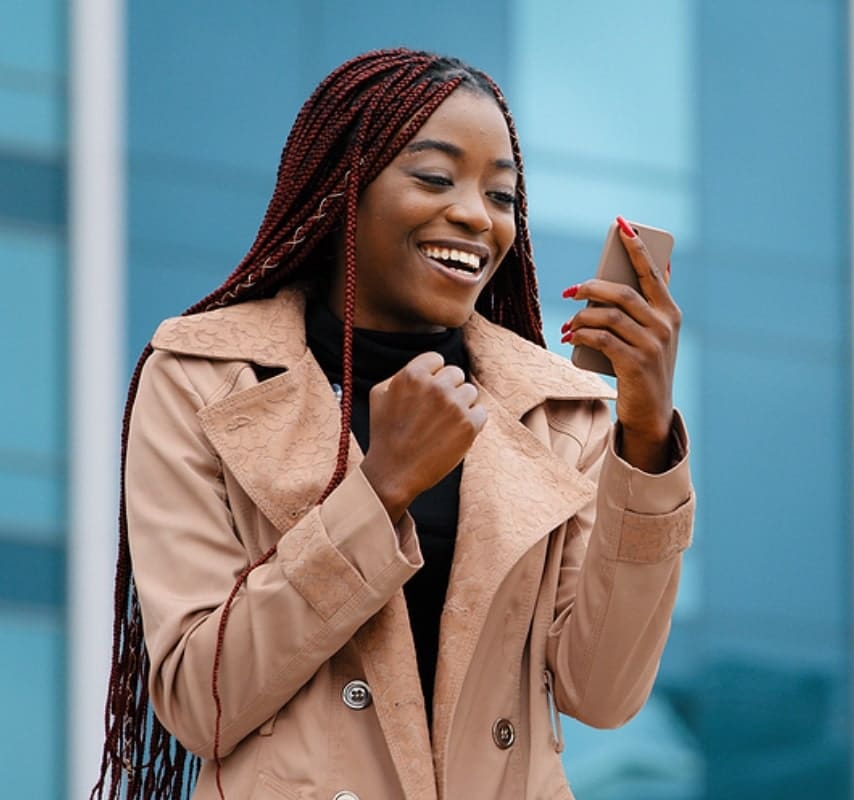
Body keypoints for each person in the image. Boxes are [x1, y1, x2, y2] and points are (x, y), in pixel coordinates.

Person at [92, 48, 694, 800]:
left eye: (502, 196)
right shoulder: (204, 377)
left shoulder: (555, 410)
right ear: (343, 189)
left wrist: (645, 440)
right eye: (436, 178)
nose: (476, 215)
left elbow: (602, 692)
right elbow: (198, 703)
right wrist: (379, 493)